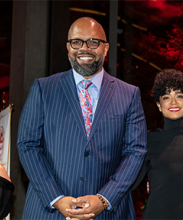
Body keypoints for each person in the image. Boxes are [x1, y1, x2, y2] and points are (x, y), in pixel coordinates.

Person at [17, 17, 147, 220]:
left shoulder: (129, 94)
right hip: (49, 212)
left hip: (107, 213)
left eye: (93, 42)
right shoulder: (44, 89)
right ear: (68, 47)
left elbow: (135, 151)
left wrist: (104, 199)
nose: (84, 48)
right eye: (76, 42)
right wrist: (56, 198)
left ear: (106, 48)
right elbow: (27, 144)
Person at [132, 69, 183, 220]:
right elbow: (131, 181)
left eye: (179, 96)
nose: (173, 102)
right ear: (158, 104)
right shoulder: (147, 139)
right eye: (166, 97)